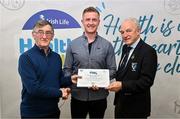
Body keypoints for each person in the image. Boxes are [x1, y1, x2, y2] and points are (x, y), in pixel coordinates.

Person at [64, 6, 116, 119]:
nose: (91, 23)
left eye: (94, 19)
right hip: (78, 96)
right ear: (82, 21)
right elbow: (67, 69)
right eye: (88, 19)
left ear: (99, 22)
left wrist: (101, 81)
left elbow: (112, 70)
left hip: (99, 97)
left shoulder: (107, 45)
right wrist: (71, 80)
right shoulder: (73, 45)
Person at [18, 20, 78, 118]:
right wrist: (60, 92)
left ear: (52, 36)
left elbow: (57, 80)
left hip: (53, 112)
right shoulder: (26, 58)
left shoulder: (56, 57)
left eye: (48, 33)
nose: (44, 36)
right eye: (40, 32)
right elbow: (33, 89)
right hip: (32, 114)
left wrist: (69, 79)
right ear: (33, 35)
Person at [107, 18, 157, 118]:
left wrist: (122, 86)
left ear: (138, 31)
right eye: (122, 32)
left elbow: (146, 81)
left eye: (129, 31)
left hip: (136, 109)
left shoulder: (148, 51)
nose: (125, 35)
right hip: (120, 105)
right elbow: (122, 73)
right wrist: (103, 78)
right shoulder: (125, 48)